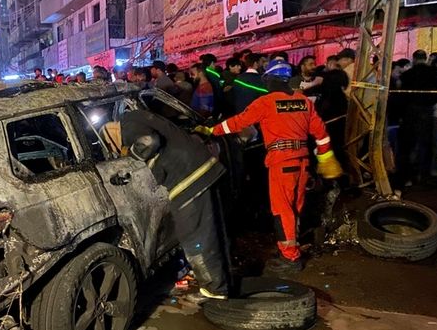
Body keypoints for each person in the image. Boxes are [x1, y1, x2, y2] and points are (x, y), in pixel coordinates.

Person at [196, 60, 343, 273]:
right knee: (295, 208)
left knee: (282, 210)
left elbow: (238, 122)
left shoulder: (266, 102)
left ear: (270, 80)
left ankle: (291, 258)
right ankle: (289, 248)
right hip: (303, 163)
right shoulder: (303, 102)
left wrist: (211, 131)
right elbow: (321, 135)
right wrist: (326, 159)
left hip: (281, 163)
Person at [120, 109, 230, 299]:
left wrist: (130, 155)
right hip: (202, 167)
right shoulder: (144, 115)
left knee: (194, 235)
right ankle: (222, 280)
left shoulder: (127, 123)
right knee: (211, 230)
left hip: (187, 178)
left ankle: (215, 290)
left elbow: (149, 141)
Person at [397, 53, 437, 186]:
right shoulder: (433, 73)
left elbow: (401, 96)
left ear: (414, 59)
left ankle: (406, 175)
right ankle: (424, 175)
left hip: (410, 112)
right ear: (425, 58)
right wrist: (429, 102)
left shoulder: (407, 74)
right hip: (427, 111)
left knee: (407, 145)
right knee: (426, 144)